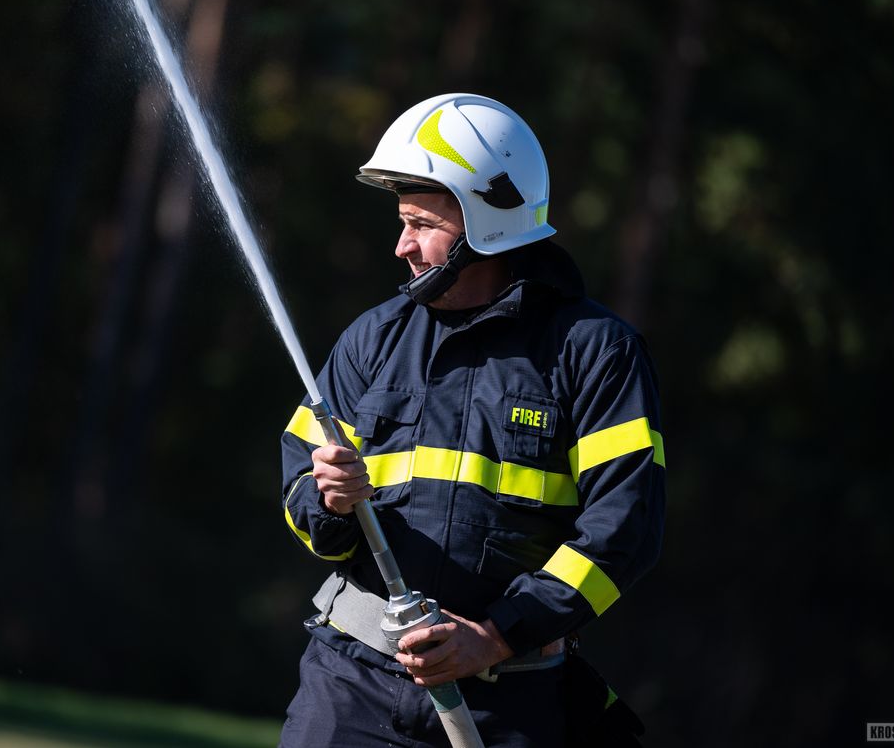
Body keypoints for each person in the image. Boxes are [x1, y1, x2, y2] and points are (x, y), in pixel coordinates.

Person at [278, 93, 665, 747]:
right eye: (402, 222)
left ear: (491, 223)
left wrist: (496, 635)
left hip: (507, 706)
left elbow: (625, 529)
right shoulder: (372, 338)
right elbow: (297, 494)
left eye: (423, 224)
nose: (403, 245)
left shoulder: (596, 351)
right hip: (348, 691)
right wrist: (330, 500)